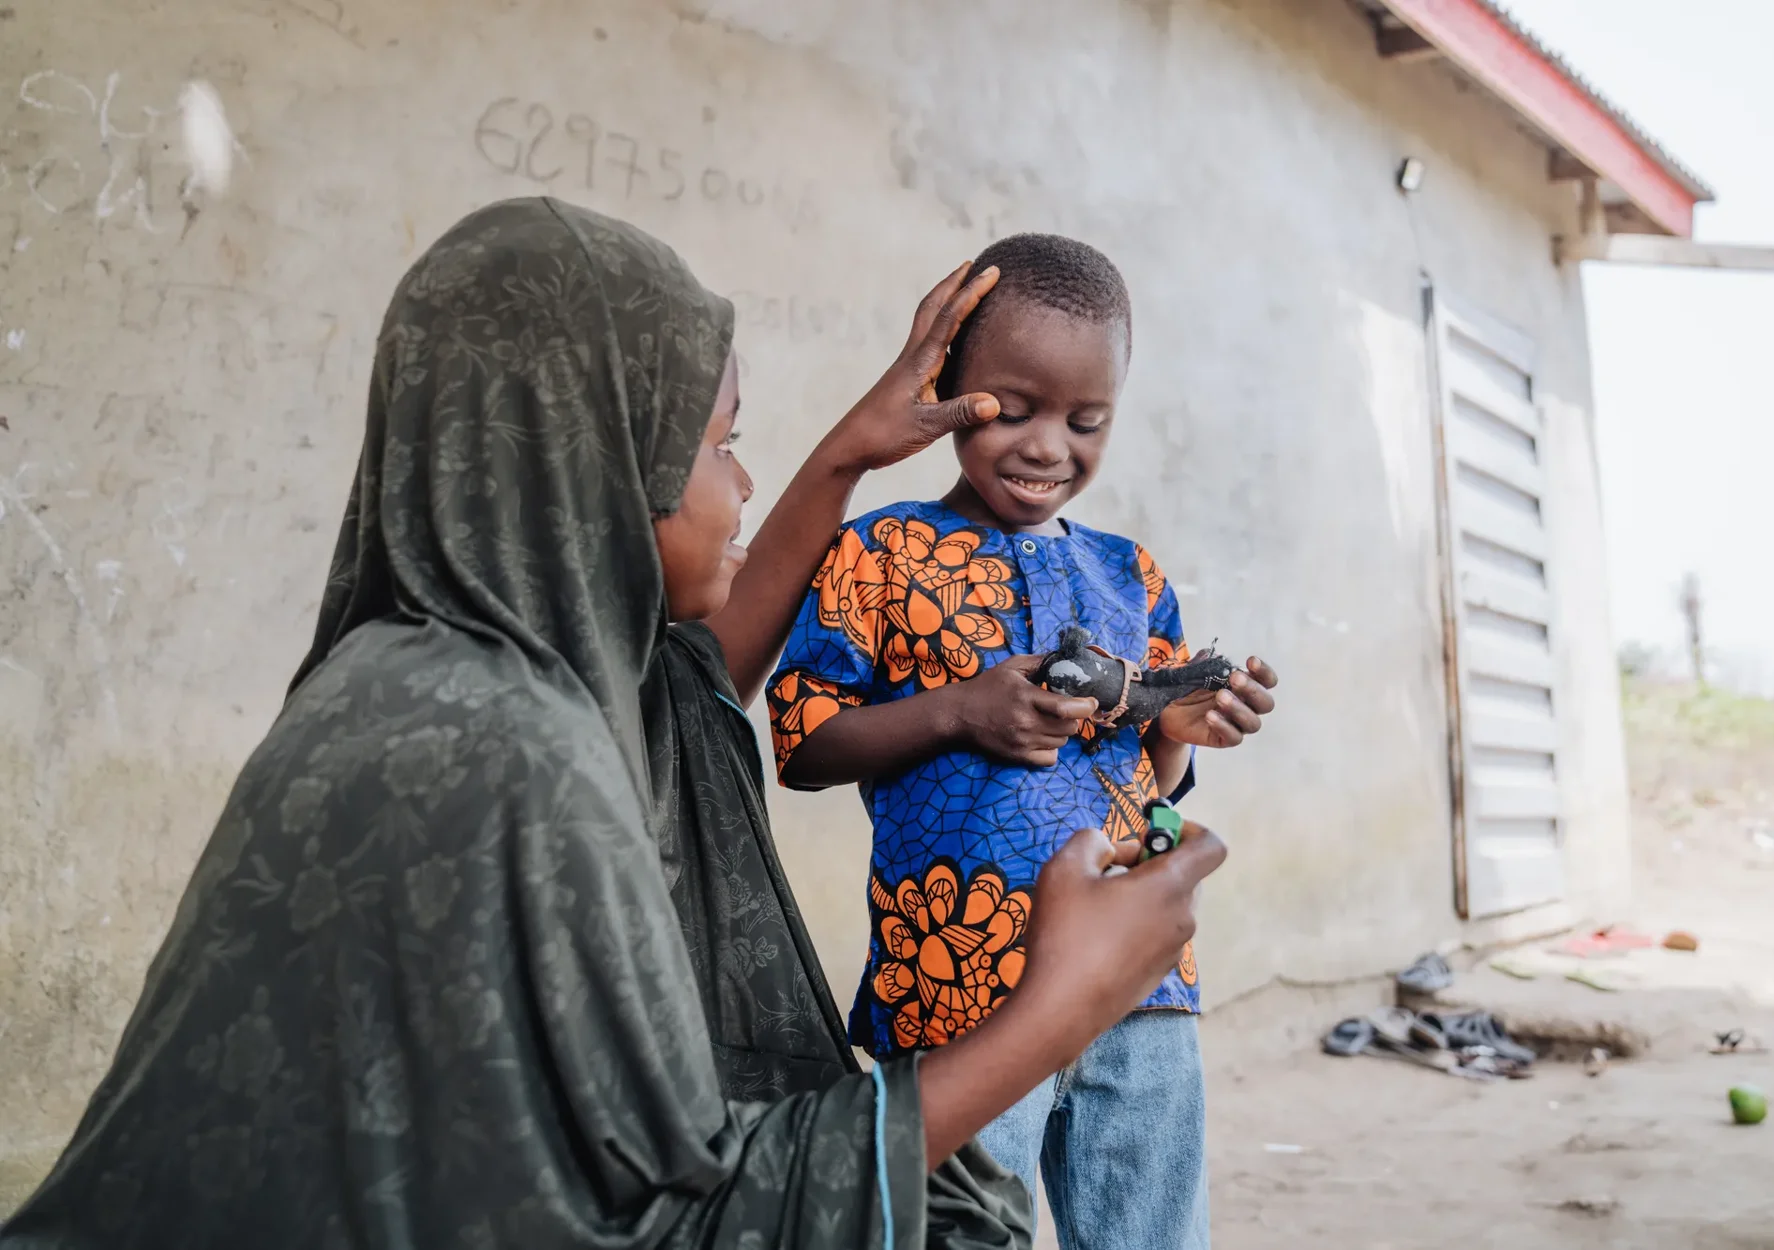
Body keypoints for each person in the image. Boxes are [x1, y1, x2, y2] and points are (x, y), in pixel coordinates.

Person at [0, 199, 1230, 1250]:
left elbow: (704, 680)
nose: (742, 483)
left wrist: (854, 446)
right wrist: (1057, 1008)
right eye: (718, 443)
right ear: (594, 462)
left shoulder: (481, 677)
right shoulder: (492, 749)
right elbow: (668, 1211)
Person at [766, 233, 1279, 1250]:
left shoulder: (1131, 573)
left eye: (1088, 421)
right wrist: (958, 708)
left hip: (1140, 980)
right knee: (964, 1235)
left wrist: (1181, 724)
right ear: (953, 384)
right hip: (962, 990)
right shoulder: (884, 550)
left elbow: (1153, 780)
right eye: (1017, 407)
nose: (1051, 446)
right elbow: (803, 736)